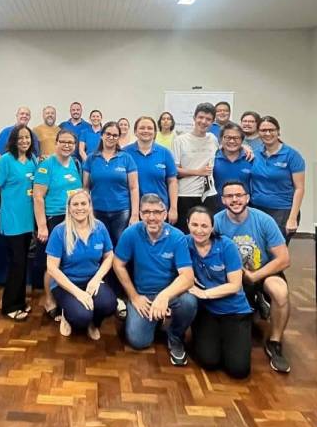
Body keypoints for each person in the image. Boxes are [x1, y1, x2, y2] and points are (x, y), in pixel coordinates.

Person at [215, 181, 291, 373]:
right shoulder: (216, 222)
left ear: (247, 198)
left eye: (239, 195)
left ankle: (275, 342)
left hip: (263, 271)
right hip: (233, 274)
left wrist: (255, 276)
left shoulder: (264, 220)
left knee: (280, 292)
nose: (235, 200)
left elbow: (284, 259)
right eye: (230, 196)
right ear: (223, 200)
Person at [113, 194, 197, 366]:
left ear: (165, 214)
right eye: (146, 212)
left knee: (189, 302)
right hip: (144, 295)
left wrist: (164, 296)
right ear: (140, 214)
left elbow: (188, 277)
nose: (152, 217)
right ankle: (151, 319)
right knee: (138, 341)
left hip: (170, 294)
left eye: (157, 212)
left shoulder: (177, 236)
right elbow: (117, 264)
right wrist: (134, 296)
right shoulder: (131, 233)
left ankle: (175, 336)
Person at [186, 207, 252, 379]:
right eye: (194, 225)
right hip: (207, 311)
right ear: (187, 224)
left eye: (204, 226)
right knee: (209, 361)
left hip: (234, 310)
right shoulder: (184, 243)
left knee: (239, 370)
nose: (199, 230)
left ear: (212, 227)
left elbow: (235, 285)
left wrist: (204, 293)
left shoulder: (226, 245)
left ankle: (231, 340)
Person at [46, 190, 117, 339]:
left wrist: (96, 279)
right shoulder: (59, 232)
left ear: (90, 206)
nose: (80, 208)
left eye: (83, 203)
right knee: (81, 316)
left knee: (109, 305)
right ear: (69, 208)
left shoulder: (99, 227)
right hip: (66, 284)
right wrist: (78, 293)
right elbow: (51, 268)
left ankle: (94, 323)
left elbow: (109, 256)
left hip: (91, 281)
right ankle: (67, 314)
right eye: (75, 204)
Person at [0, 125, 38, 321]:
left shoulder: (33, 160)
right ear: (14, 141)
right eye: (21, 138)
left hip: (28, 221)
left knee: (23, 263)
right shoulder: (6, 160)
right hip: (12, 221)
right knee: (17, 263)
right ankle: (9, 306)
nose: (25, 141)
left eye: (27, 138)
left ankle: (20, 301)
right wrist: (5, 206)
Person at [33, 129, 82, 319]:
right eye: (63, 142)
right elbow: (38, 197)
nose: (67, 145)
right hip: (53, 219)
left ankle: (65, 298)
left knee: (68, 262)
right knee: (52, 263)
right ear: (56, 143)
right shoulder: (47, 165)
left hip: (73, 219)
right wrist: (42, 226)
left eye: (71, 143)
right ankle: (49, 300)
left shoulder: (76, 164)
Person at [249, 116, 305, 242]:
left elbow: (299, 188)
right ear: (258, 133)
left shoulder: (292, 155)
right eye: (263, 130)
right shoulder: (255, 154)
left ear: (278, 131)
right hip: (256, 209)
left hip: (282, 211)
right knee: (256, 248)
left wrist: (292, 218)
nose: (267, 133)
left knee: (276, 250)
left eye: (271, 130)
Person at [83, 121, 139, 246]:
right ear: (102, 135)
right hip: (96, 211)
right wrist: (87, 210)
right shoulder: (91, 158)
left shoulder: (126, 158)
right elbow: (85, 188)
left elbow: (134, 188)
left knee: (121, 246)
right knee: (100, 246)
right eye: (108, 134)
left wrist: (135, 215)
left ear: (118, 138)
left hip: (122, 211)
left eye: (115, 135)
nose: (111, 137)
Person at [172, 103, 219, 232]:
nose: (203, 121)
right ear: (194, 118)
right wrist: (198, 172)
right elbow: (174, 171)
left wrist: (245, 147)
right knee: (186, 232)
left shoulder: (213, 139)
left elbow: (229, 146)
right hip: (186, 194)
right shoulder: (180, 140)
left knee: (207, 232)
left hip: (209, 194)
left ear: (213, 122)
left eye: (208, 119)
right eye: (201, 117)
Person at [124, 116, 178, 224]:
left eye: (149, 128)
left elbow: (172, 182)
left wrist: (173, 208)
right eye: (142, 128)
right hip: (133, 211)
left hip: (159, 210)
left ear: (155, 132)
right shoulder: (125, 153)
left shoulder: (165, 153)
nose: (146, 131)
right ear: (135, 132)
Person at [212, 123, 252, 211]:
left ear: (242, 140)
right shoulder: (212, 158)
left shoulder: (250, 158)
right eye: (227, 137)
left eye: (236, 138)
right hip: (216, 209)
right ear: (221, 139)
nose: (232, 141)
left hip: (244, 210)